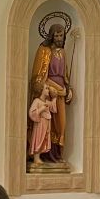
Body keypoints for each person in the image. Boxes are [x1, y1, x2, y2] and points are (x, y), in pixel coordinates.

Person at [29, 22, 75, 163]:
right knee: (49, 124)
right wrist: (51, 87)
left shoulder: (63, 52)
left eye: (61, 35)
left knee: (61, 124)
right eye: (56, 35)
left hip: (60, 92)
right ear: (51, 35)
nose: (59, 38)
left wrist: (69, 89)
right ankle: (45, 154)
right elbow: (39, 75)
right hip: (49, 92)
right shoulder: (44, 50)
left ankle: (57, 153)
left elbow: (65, 74)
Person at [27, 86, 58, 165]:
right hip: (39, 124)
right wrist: (42, 109)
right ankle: (36, 157)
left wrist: (54, 98)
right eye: (46, 88)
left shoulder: (47, 102)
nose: (48, 90)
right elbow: (31, 113)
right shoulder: (37, 101)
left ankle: (39, 156)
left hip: (46, 124)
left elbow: (54, 109)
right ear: (41, 90)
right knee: (38, 139)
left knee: (44, 139)